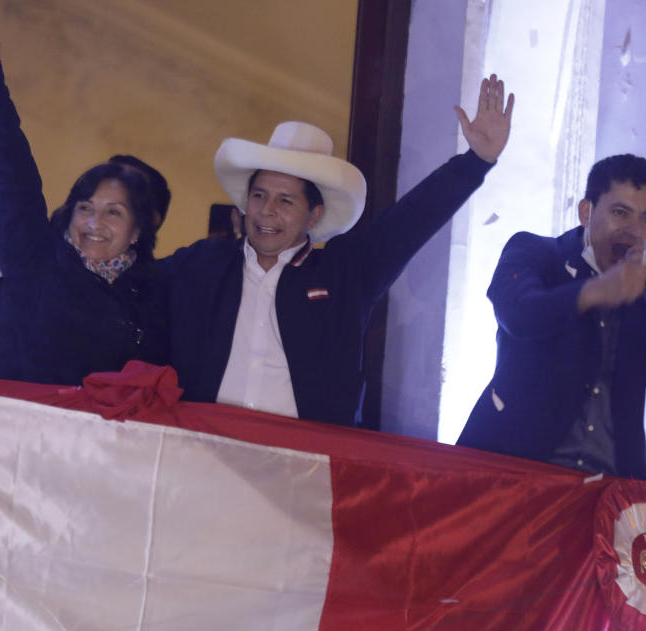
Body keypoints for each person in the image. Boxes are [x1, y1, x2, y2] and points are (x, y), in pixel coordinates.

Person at [159, 76, 514, 426]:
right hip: (201, 453)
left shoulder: (345, 274)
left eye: (285, 200)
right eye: (259, 196)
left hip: (305, 468)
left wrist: (475, 162)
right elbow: (134, 286)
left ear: (313, 215)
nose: (267, 211)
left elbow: (411, 221)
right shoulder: (203, 263)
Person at [457, 154, 646, 480]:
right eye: (620, 213)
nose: (634, 232)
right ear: (586, 211)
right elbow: (518, 313)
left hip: (611, 499)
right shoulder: (535, 253)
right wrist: (595, 291)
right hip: (517, 478)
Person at [0, 17, 167, 385]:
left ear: (137, 231)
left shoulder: (151, 297)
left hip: (99, 442)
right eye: (85, 207)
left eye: (113, 212)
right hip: (16, 433)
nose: (93, 223)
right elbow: (11, 175)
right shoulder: (33, 260)